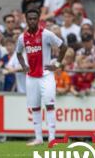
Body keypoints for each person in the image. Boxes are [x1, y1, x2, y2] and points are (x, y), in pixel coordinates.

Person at [16, 9, 67, 146]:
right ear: (26, 20)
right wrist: (24, 66)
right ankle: (38, 138)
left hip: (46, 75)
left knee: (49, 104)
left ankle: (52, 138)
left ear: (38, 19)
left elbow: (63, 47)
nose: (32, 21)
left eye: (34, 18)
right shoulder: (22, 37)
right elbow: (18, 53)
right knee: (35, 107)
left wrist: (56, 64)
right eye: (30, 19)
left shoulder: (46, 34)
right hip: (31, 77)